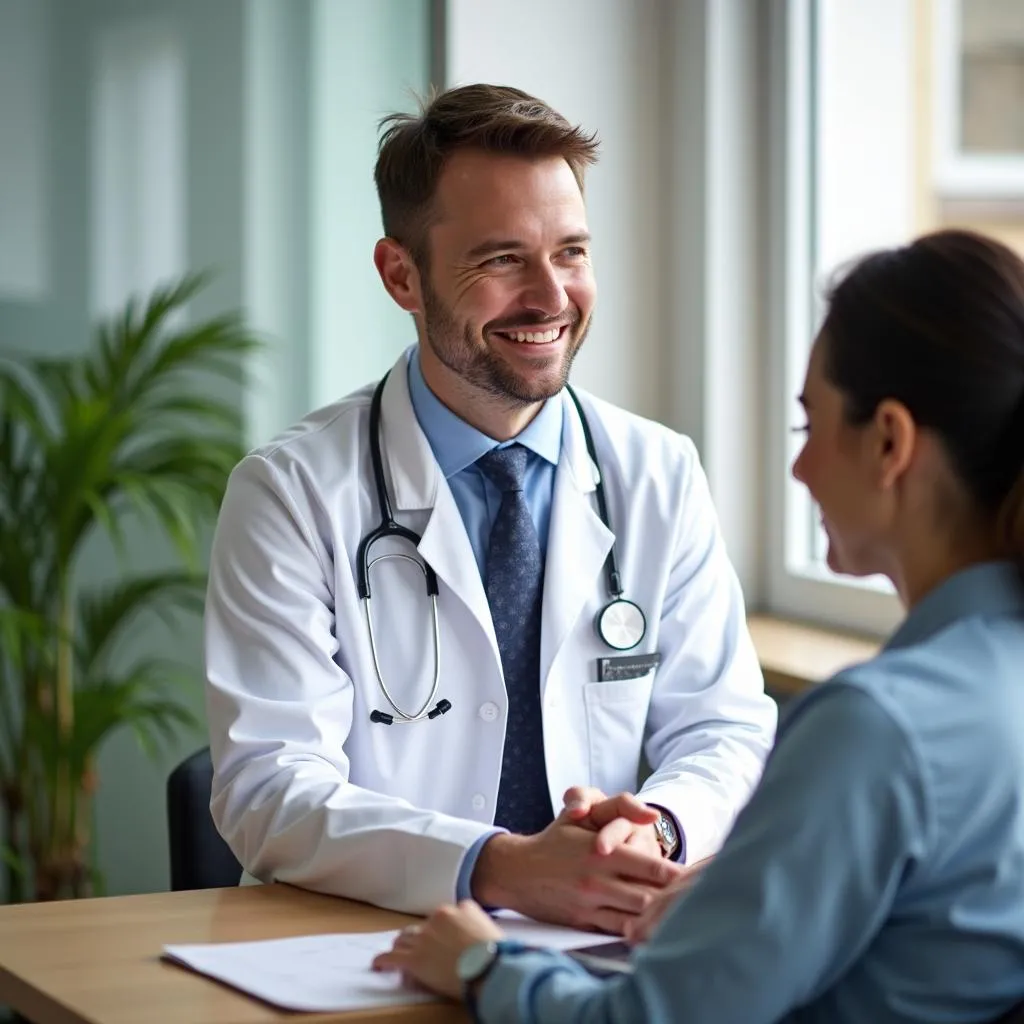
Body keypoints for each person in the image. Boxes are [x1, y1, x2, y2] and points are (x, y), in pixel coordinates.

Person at [373, 228, 1024, 1023]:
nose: (800, 468)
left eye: (808, 426)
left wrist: (479, 963)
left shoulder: (879, 727)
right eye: (500, 254)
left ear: (888, 441)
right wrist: (737, 902)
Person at [203, 83, 776, 927]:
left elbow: (724, 730)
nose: (551, 298)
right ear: (403, 276)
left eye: (572, 252)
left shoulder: (658, 473)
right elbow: (270, 788)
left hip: (606, 940)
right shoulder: (290, 494)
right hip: (370, 943)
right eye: (503, 259)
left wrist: (652, 832)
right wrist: (498, 869)